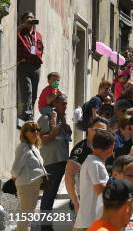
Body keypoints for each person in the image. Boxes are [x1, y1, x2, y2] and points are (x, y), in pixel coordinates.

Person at [38, 93, 72, 231]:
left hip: (61, 162)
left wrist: (65, 129)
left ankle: (47, 226)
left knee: (52, 195)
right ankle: (45, 228)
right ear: (55, 104)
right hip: (51, 162)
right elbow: (41, 140)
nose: (66, 106)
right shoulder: (45, 119)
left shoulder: (60, 120)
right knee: (48, 196)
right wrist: (53, 134)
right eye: (63, 103)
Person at [65, 117, 110, 213]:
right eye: (97, 130)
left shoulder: (109, 148)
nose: (100, 134)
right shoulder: (81, 149)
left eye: (104, 132)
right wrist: (76, 201)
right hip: (85, 202)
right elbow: (69, 176)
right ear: (89, 130)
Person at [74, 129, 115, 231]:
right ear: (109, 148)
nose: (113, 151)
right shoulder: (95, 164)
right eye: (112, 148)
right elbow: (101, 191)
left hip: (92, 219)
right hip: (93, 219)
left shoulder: (93, 161)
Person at [11, 121, 48, 231]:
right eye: (32, 130)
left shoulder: (34, 147)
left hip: (34, 185)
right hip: (26, 185)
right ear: (25, 133)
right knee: (25, 216)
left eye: (37, 129)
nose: (35, 132)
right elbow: (15, 168)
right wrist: (14, 177)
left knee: (28, 216)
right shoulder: (23, 146)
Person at [16, 11, 44, 122]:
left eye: (32, 18)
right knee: (27, 90)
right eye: (28, 18)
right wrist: (23, 25)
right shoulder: (20, 32)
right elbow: (11, 32)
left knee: (34, 93)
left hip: (36, 66)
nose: (31, 20)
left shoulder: (38, 35)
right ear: (23, 20)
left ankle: (29, 113)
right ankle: (27, 115)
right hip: (24, 65)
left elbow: (41, 48)